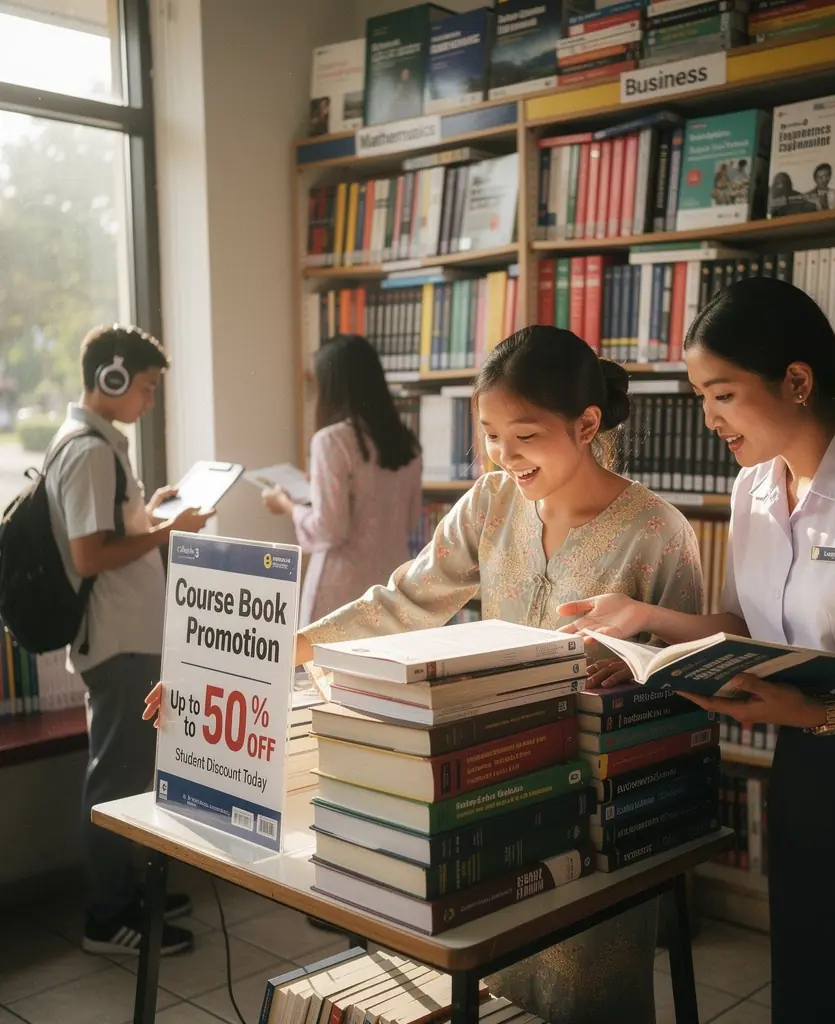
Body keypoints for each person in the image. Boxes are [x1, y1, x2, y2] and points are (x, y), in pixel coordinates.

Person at [148, 324, 704, 1024]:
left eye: (523, 435)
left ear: (586, 424)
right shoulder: (492, 502)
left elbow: (688, 692)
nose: (503, 455)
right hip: (494, 795)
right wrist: (256, 654)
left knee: (579, 998)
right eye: (490, 434)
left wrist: (629, 690)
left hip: (598, 823)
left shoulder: (655, 531)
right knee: (487, 990)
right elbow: (404, 601)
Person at [558, 276, 835, 1024]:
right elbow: (755, 624)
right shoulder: (755, 490)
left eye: (723, 394)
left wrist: (821, 711)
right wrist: (643, 616)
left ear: (797, 381)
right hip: (809, 767)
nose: (709, 418)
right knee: (817, 977)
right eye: (701, 396)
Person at [49, 325, 213, 957]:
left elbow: (113, 532)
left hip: (129, 637)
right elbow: (91, 556)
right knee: (116, 782)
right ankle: (108, 916)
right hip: (117, 644)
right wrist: (167, 535)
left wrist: (154, 513)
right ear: (111, 379)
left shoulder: (97, 447)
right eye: (145, 389)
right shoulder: (89, 451)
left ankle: (130, 891)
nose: (148, 402)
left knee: (129, 773)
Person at [261, 335, 422, 627]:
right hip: (390, 586)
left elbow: (330, 530)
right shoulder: (407, 443)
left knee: (323, 671)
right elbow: (409, 520)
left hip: (342, 591)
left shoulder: (332, 440)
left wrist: (286, 504)